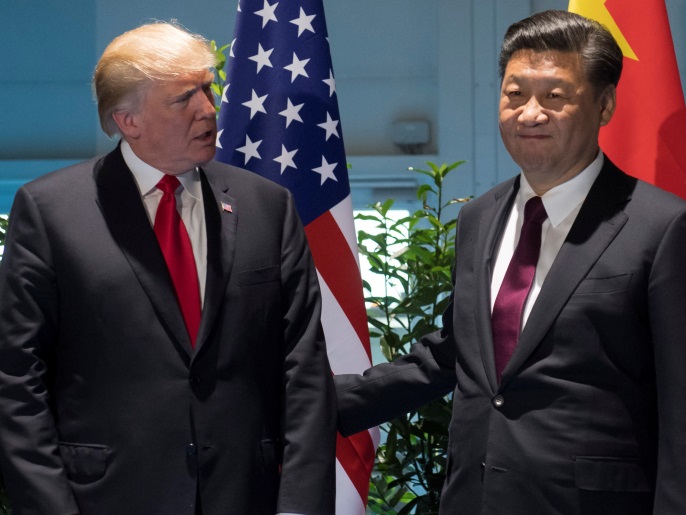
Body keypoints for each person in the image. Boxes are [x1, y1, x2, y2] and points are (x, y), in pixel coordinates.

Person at [335, 10, 686, 515]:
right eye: (515, 94)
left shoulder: (662, 227)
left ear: (605, 105)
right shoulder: (479, 217)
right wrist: (316, 402)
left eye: (555, 96)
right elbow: (456, 354)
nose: (530, 113)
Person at [0, 22, 336, 515]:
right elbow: (16, 381)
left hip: (246, 496)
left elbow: (303, 371)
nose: (208, 109)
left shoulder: (268, 207)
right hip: (106, 500)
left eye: (207, 89)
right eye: (184, 99)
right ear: (127, 120)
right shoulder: (51, 211)